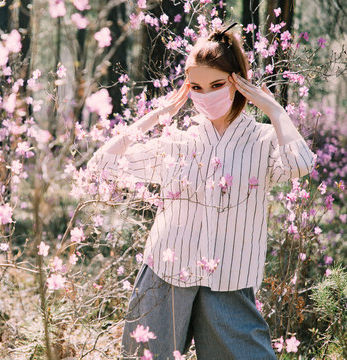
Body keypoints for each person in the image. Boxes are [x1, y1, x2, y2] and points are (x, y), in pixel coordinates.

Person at [87, 23, 315, 360]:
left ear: (239, 82)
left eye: (217, 84)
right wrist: (159, 114)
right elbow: (101, 164)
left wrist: (275, 110)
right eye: (197, 86)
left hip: (229, 283)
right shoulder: (178, 142)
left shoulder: (263, 141)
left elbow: (300, 165)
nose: (207, 95)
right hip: (164, 278)